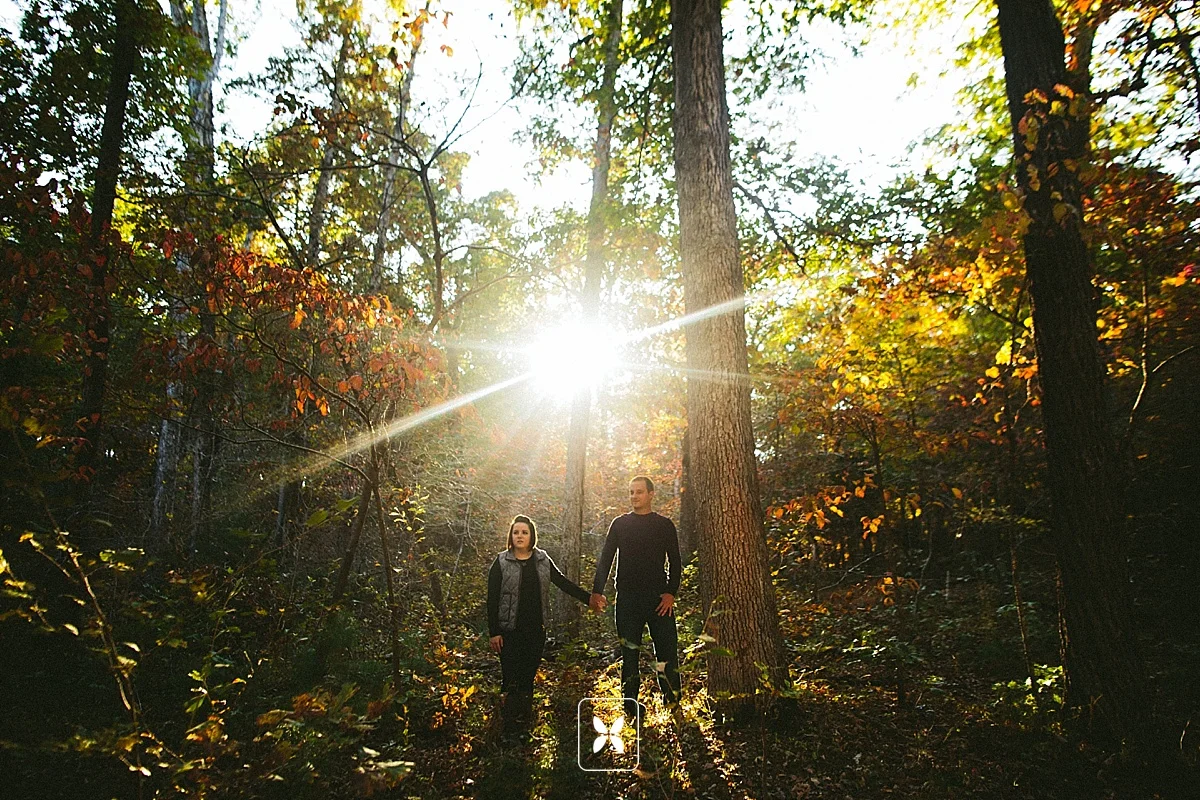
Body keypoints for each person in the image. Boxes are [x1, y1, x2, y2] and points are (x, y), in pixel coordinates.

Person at [486, 514, 592, 737]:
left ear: (531, 535)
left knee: (527, 678)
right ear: (511, 536)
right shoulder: (501, 561)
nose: (520, 536)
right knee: (510, 677)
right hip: (508, 631)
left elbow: (562, 582)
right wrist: (494, 632)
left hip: (535, 630)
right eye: (516, 532)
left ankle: (523, 726)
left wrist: (588, 598)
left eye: (524, 532)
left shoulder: (542, 560)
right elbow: (492, 598)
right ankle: (508, 730)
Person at [590, 476, 682, 723]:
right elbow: (606, 559)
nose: (634, 496)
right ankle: (630, 706)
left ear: (651, 494)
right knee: (629, 654)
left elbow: (675, 562)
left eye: (639, 492)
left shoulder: (664, 526)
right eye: (631, 492)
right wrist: (597, 591)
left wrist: (671, 592)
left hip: (658, 600)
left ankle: (672, 702)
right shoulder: (620, 525)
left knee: (666, 651)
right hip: (628, 600)